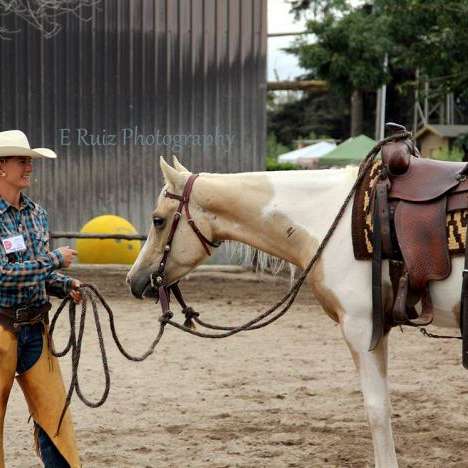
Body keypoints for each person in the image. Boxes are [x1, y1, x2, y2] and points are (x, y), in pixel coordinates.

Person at [0, 130, 81, 467]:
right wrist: (55, 260)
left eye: (30, 161)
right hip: (2, 329)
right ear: (1, 167)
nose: (29, 167)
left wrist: (64, 285)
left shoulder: (37, 214)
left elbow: (37, 273)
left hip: (36, 329)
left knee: (55, 416)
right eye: (23, 161)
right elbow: (3, 273)